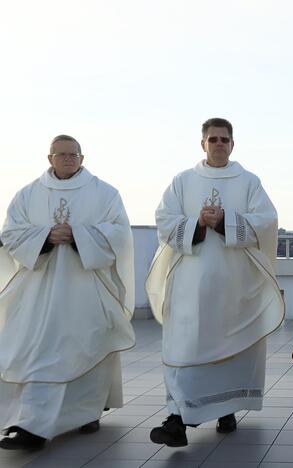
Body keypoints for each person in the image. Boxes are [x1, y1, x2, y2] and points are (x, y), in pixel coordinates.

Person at [146, 117, 284, 447]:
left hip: (234, 284)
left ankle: (226, 409)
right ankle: (177, 419)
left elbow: (267, 222)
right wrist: (196, 223)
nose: (219, 144)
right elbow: (164, 221)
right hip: (190, 285)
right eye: (213, 139)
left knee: (231, 351)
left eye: (224, 139)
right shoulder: (182, 181)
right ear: (203, 144)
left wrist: (225, 221)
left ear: (233, 144)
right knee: (186, 347)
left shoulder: (249, 181)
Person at [0, 135, 135, 450]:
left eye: (73, 154)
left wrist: (79, 236)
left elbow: (119, 233)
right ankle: (29, 425)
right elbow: (10, 232)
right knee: (36, 353)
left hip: (86, 287)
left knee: (85, 348)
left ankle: (86, 413)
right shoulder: (28, 194)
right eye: (61, 154)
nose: (68, 159)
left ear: (82, 158)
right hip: (38, 291)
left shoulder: (104, 193)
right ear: (50, 158)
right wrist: (45, 236)